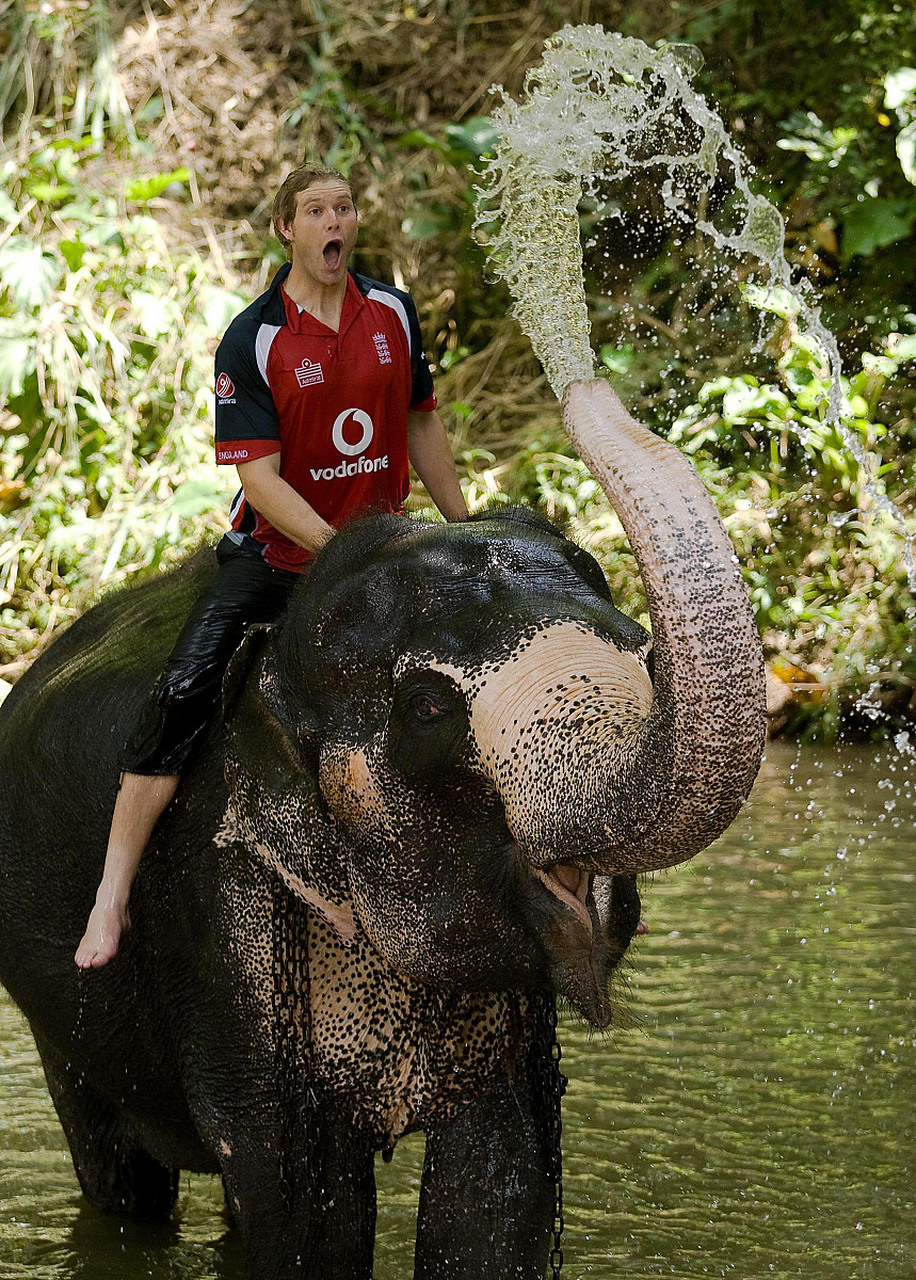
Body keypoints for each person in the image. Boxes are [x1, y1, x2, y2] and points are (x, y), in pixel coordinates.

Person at [75, 165, 468, 968]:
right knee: (183, 692)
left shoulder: (391, 311)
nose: (335, 221)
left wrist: (464, 527)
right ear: (286, 230)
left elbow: (422, 423)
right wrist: (337, 554)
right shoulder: (252, 337)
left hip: (383, 548)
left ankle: (567, 870)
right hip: (281, 556)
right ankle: (110, 896)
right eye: (316, 210)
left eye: (345, 207)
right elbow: (258, 478)